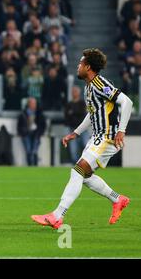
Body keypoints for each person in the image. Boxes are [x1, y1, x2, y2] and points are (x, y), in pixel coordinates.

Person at [32, 48, 133, 229]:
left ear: (88, 67)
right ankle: (118, 199)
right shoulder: (89, 87)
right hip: (97, 136)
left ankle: (57, 216)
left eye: (80, 63)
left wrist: (122, 130)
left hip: (107, 137)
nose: (77, 66)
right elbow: (92, 113)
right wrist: (75, 133)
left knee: (77, 171)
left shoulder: (100, 83)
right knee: (84, 176)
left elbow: (126, 102)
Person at [64, 86, 89, 163]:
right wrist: (74, 113)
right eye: (73, 91)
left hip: (82, 129)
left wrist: (73, 113)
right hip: (72, 129)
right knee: (73, 149)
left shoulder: (82, 103)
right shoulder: (69, 104)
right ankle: (76, 164)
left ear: (79, 93)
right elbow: (66, 116)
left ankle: (86, 163)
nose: (74, 93)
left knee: (86, 146)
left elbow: (82, 114)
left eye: (75, 91)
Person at [17, 97, 46, 166]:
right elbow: (19, 125)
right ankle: (29, 166)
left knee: (34, 151)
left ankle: (35, 166)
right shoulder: (23, 113)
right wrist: (22, 133)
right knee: (28, 151)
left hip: (36, 134)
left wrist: (40, 133)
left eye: (34, 103)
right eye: (32, 103)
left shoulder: (39, 113)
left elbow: (43, 125)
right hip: (26, 134)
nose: (34, 105)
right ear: (29, 104)